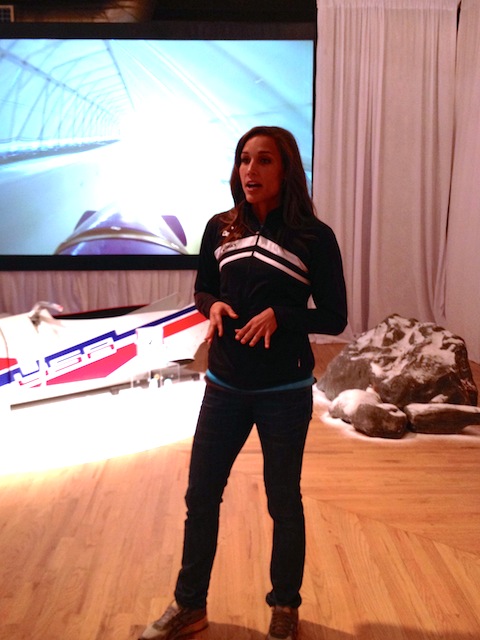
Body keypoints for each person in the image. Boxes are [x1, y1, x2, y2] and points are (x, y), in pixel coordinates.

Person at [139, 126, 347, 640]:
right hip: (224, 386)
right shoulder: (220, 227)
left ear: (287, 169)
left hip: (284, 392)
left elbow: (335, 316)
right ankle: (189, 605)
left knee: (283, 502)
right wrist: (212, 306)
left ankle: (285, 607)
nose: (250, 170)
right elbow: (202, 288)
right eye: (244, 160)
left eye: (264, 160)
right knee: (201, 496)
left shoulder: (314, 237)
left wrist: (282, 314)